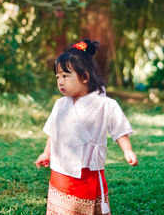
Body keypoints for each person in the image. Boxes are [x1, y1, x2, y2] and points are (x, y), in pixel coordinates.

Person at [35, 39, 138, 215]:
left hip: (87, 171)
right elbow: (54, 131)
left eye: (66, 76)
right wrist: (47, 152)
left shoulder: (105, 104)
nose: (60, 82)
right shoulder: (60, 105)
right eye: (58, 77)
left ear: (84, 77)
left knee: (85, 206)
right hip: (61, 169)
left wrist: (127, 150)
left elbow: (119, 128)